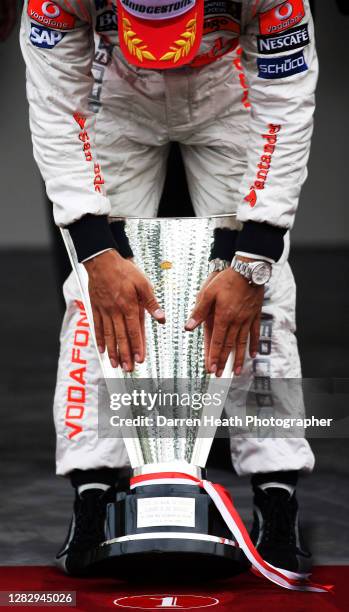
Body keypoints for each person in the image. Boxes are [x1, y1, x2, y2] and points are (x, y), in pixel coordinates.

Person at [21, 0, 317, 575]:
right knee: (96, 297)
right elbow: (56, 108)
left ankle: (277, 497)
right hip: (115, 95)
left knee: (261, 295)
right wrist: (94, 249)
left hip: (229, 91)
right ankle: (94, 492)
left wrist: (253, 258)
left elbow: (286, 109)